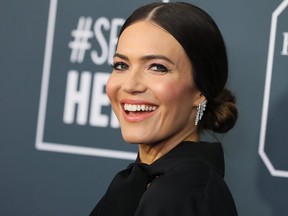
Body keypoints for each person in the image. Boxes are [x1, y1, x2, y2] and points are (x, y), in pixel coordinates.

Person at [90, 2, 238, 216]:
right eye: (121, 65)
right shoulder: (147, 182)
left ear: (200, 91)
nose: (130, 85)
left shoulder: (180, 194)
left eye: (157, 67)